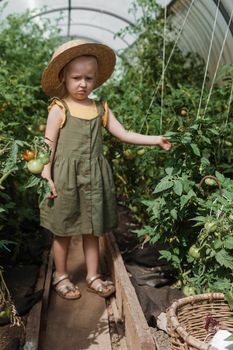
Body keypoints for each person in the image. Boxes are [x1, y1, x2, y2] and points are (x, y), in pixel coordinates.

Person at [40, 39, 173, 300]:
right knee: (63, 229)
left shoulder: (100, 108)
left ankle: (93, 275)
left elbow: (123, 133)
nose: (83, 84)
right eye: (76, 77)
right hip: (66, 177)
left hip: (95, 177)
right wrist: (46, 173)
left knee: (94, 228)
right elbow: (49, 144)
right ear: (63, 77)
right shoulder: (59, 109)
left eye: (89, 78)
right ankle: (61, 275)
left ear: (96, 80)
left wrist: (155, 139)